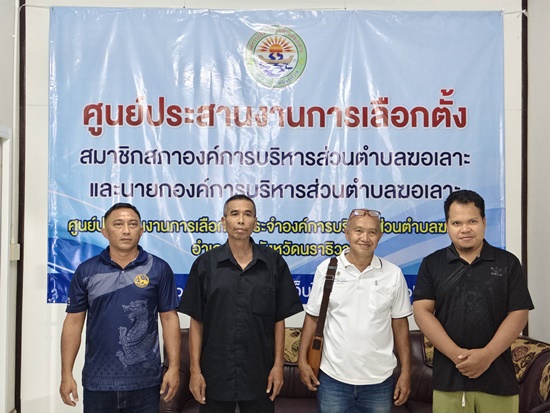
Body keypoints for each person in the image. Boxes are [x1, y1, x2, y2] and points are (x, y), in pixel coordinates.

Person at [178, 194, 303, 413]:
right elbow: (196, 322)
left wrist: (278, 366)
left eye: (248, 214)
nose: (241, 220)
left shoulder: (273, 263)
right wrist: (195, 371)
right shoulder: (205, 264)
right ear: (224, 221)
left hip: (260, 375)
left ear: (255, 222)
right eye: (234, 214)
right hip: (215, 375)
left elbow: (279, 320)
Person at [413, 189, 534, 413]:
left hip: (498, 379)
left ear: (484, 222)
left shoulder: (507, 263)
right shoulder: (432, 263)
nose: (465, 229)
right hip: (449, 380)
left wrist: (486, 355)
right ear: (447, 225)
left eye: (472, 221)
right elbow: (422, 311)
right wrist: (457, 355)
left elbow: (519, 313)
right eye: (457, 223)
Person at [59, 202, 181, 412]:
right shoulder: (87, 271)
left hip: (145, 382)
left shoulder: (159, 268)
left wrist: (174, 368)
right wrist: (66, 374)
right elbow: (73, 322)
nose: (126, 230)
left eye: (132, 224)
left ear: (141, 231)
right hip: (98, 381)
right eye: (118, 224)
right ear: (105, 232)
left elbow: (169, 318)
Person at [298, 208, 412, 413]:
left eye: (372, 232)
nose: (365, 238)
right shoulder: (327, 269)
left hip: (379, 381)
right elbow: (312, 317)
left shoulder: (393, 274)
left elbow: (400, 325)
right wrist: (301, 361)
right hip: (333, 379)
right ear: (347, 233)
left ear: (380, 236)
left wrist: (406, 373)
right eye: (358, 231)